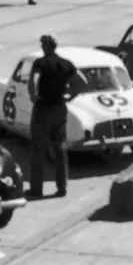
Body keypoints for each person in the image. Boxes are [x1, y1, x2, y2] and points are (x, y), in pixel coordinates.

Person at [27, 35, 84, 198]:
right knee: (60, 148)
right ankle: (62, 187)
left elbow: (33, 79)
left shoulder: (40, 63)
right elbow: (82, 82)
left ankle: (36, 189)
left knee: (38, 149)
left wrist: (33, 95)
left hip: (43, 109)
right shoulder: (66, 64)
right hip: (59, 108)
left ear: (45, 47)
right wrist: (70, 96)